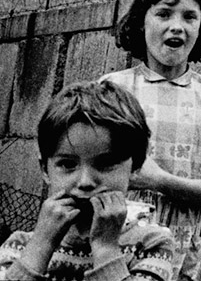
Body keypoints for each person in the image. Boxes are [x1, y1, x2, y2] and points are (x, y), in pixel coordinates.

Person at [101, 0, 201, 281]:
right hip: (121, 239)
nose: (177, 25)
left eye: (189, 16)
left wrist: (160, 180)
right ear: (141, 22)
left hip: (185, 248)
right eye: (163, 14)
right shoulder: (113, 90)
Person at [0, 80, 175, 280]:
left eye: (105, 163)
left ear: (135, 166)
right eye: (67, 164)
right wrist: (41, 246)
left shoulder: (152, 244)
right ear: (45, 169)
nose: (85, 182)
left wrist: (106, 249)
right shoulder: (21, 246)